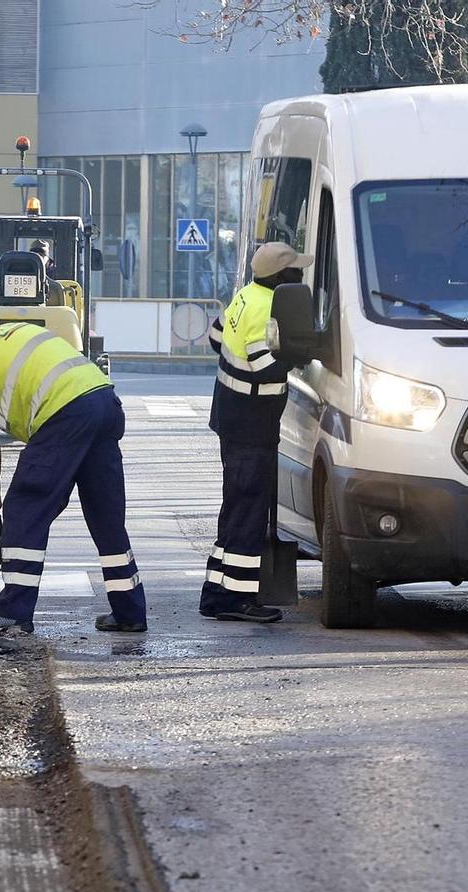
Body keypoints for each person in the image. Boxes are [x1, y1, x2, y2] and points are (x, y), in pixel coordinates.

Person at [0, 321, 145, 634]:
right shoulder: (3, 336)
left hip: (66, 413)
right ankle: (130, 610)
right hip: (104, 402)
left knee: (24, 508)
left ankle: (13, 612)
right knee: (105, 516)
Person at [202, 241, 300, 622]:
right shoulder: (267, 307)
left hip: (232, 418)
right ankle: (238, 599)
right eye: (295, 271)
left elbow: (215, 338)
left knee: (235, 506)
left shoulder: (245, 295)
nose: (301, 276)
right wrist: (296, 352)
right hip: (252, 424)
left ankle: (216, 593)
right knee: (248, 509)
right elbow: (264, 367)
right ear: (281, 277)